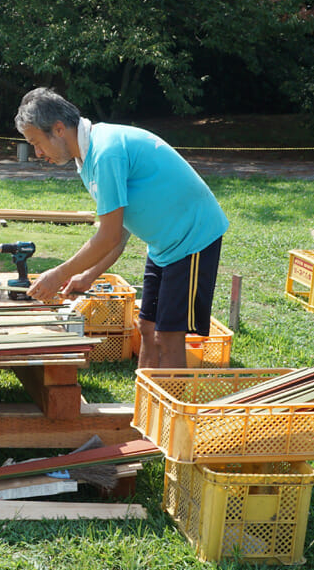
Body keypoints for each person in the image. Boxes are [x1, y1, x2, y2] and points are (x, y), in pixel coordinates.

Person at [14, 88, 228, 368]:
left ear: (58, 129)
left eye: (37, 142)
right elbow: (120, 231)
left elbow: (108, 235)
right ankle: (144, 410)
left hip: (192, 237)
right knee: (148, 329)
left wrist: (60, 274)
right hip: (163, 244)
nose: (37, 153)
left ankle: (171, 411)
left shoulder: (105, 153)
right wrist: (88, 276)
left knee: (169, 335)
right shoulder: (86, 156)